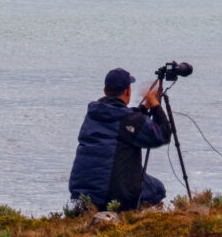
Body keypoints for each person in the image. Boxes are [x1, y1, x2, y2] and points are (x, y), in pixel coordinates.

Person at [67, 67, 175, 213]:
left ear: (105, 91)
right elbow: (163, 134)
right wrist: (155, 105)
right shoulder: (129, 120)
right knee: (157, 189)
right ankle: (126, 215)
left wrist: (144, 108)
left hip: (81, 193)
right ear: (128, 91)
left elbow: (122, 124)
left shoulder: (93, 114)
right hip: (110, 194)